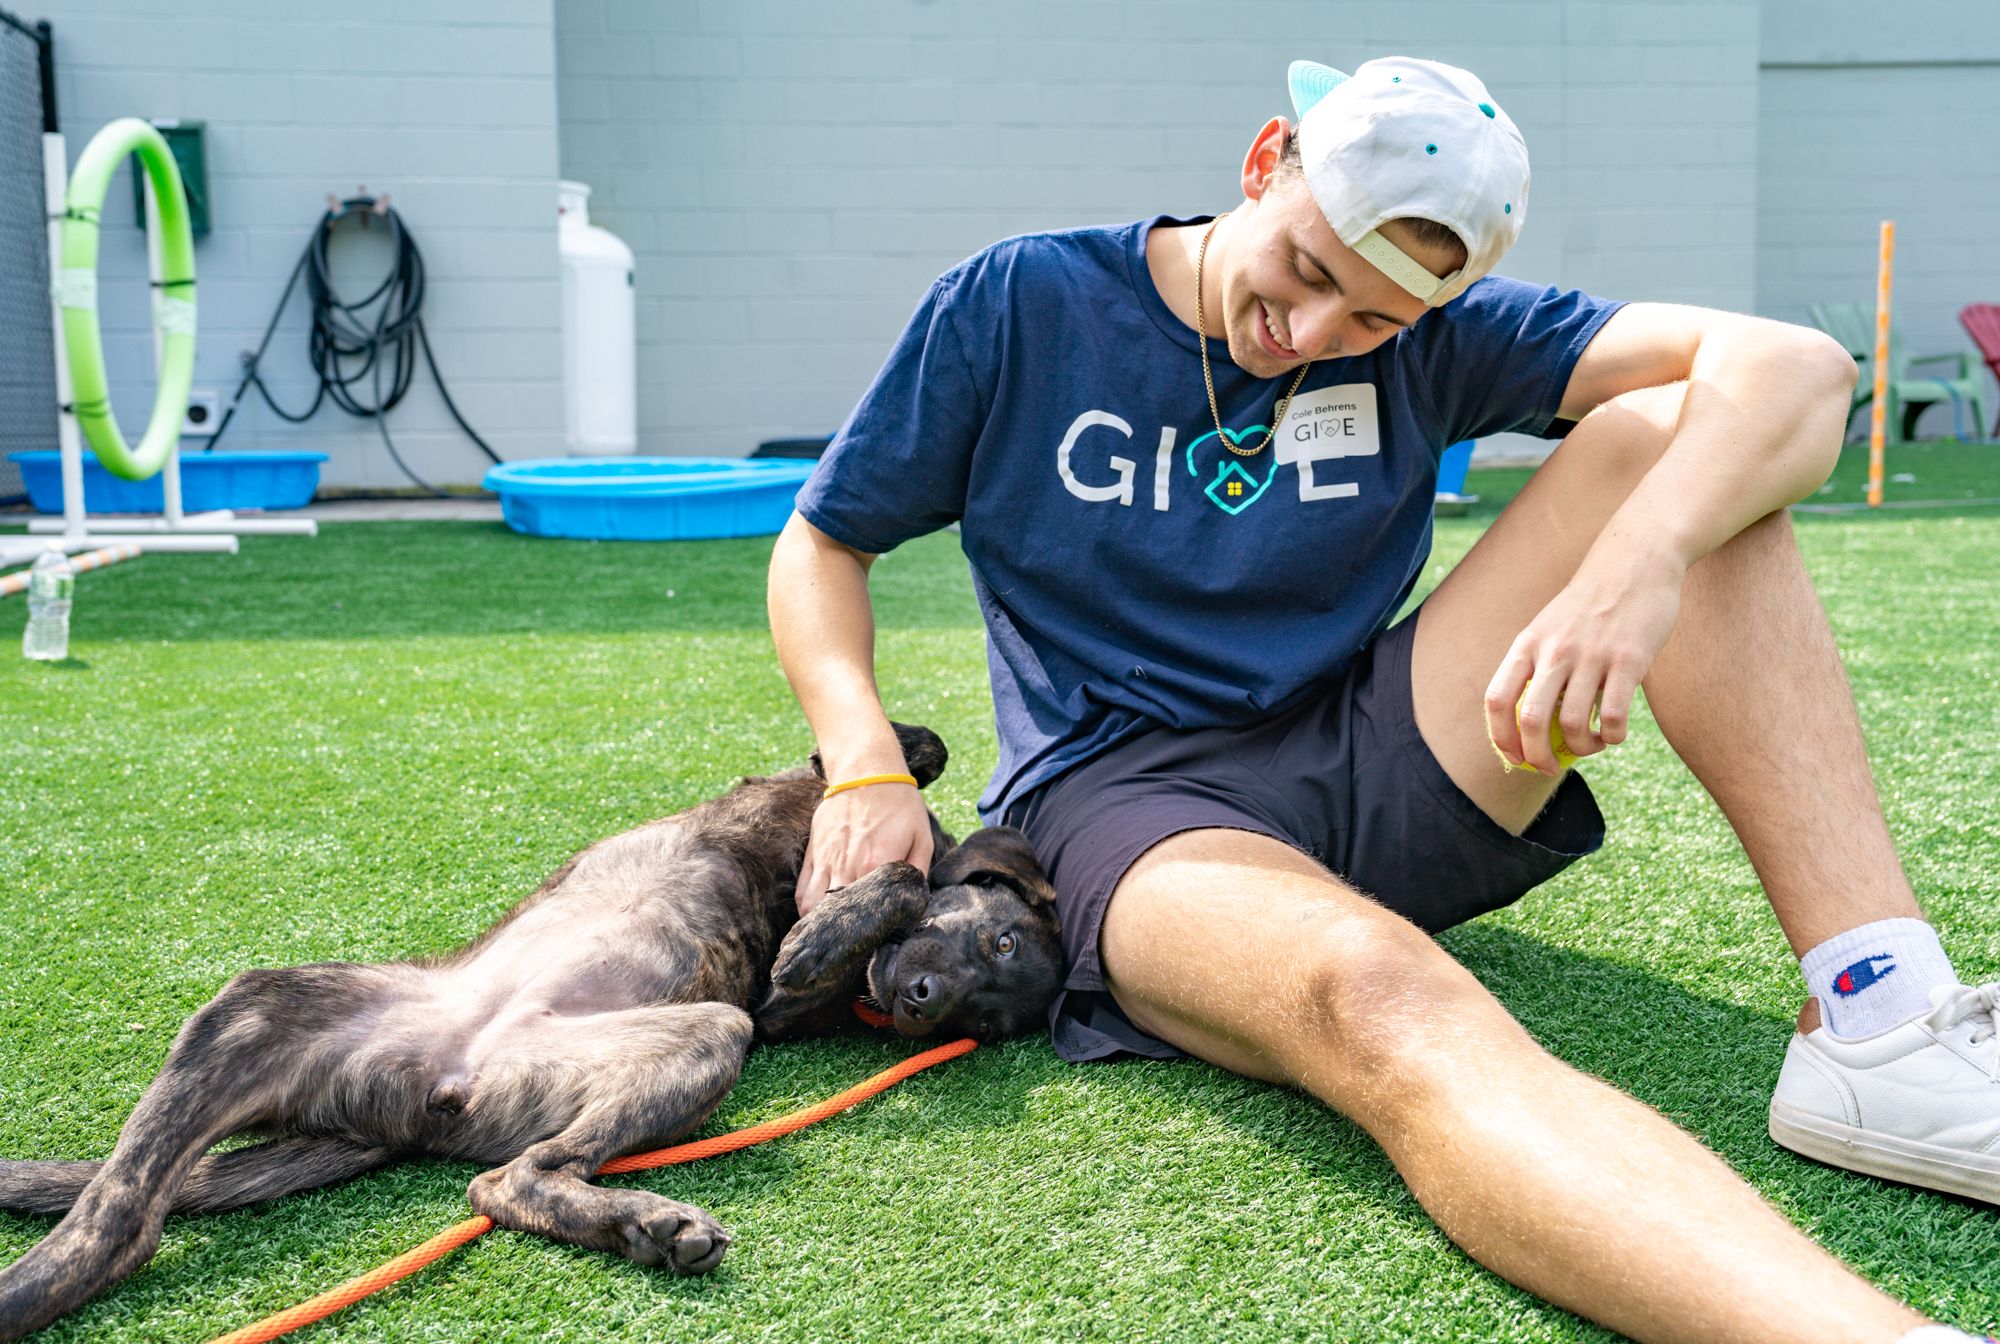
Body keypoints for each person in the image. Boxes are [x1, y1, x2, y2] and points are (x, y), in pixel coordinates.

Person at [767, 55, 1997, 1344]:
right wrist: (863, 759)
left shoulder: (1444, 332)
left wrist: (1642, 565)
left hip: (1380, 744)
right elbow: (824, 540)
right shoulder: (1022, 301)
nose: (1310, 332)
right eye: (1305, 269)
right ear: (1265, 164)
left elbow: (1798, 370)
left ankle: (1883, 1012)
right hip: (1127, 805)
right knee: (1377, 996)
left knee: (1679, 446)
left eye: (1372, 320)